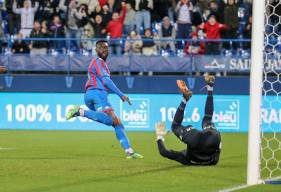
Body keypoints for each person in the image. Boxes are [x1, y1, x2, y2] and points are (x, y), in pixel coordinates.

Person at [66, 40, 143, 159]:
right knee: (110, 120)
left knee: (117, 122)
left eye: (106, 47)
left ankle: (129, 151)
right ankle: (80, 111)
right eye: (101, 47)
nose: (104, 49)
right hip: (98, 94)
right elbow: (106, 81)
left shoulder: (98, 64)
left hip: (90, 95)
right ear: (96, 51)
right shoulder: (99, 62)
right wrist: (121, 94)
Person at [155, 75, 221, 165]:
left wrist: (159, 136)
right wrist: (159, 137)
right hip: (206, 139)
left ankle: (209, 88)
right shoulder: (185, 159)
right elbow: (164, 152)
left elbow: (217, 156)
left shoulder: (186, 158)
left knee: (207, 119)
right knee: (176, 126)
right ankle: (187, 98)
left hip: (213, 138)